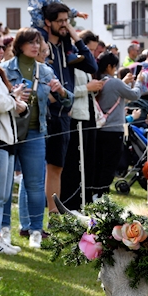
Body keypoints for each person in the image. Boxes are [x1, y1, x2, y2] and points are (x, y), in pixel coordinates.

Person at [2, 27, 71, 248]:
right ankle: (3, 230)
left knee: (34, 183)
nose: (35, 46)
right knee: (4, 185)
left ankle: (35, 230)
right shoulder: (4, 69)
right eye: (30, 42)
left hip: (36, 132)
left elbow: (69, 101)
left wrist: (60, 91)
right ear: (19, 45)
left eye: (38, 42)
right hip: (8, 132)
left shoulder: (46, 71)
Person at [42, 3, 96, 218]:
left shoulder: (68, 47)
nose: (65, 25)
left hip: (65, 113)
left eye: (67, 20)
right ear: (48, 22)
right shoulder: (41, 43)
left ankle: (55, 213)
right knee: (40, 169)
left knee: (58, 166)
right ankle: (36, 219)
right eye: (60, 21)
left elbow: (91, 66)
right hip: (46, 111)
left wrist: (75, 36)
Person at [0, 30, 26, 255]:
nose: (2, 51)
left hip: (9, 139)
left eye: (3, 47)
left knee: (4, 194)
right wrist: (13, 100)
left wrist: (15, 100)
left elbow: (12, 104)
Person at [59, 29, 101, 210]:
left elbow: (88, 88)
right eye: (89, 50)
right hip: (76, 116)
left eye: (94, 51)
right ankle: (72, 201)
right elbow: (66, 91)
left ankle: (86, 198)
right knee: (74, 162)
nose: (92, 54)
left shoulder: (87, 65)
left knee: (89, 160)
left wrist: (95, 87)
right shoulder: (71, 63)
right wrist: (87, 87)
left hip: (89, 114)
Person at [93, 51, 140, 199]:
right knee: (110, 164)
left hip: (98, 128)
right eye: (114, 66)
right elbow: (134, 95)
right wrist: (139, 82)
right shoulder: (115, 82)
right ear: (109, 66)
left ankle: (95, 191)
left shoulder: (98, 81)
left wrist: (123, 82)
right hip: (114, 129)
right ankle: (102, 193)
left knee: (98, 162)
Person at [27, 0, 88, 64]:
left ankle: (69, 54)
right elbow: (34, 13)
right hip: (39, 26)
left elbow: (63, 8)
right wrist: (43, 25)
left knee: (65, 34)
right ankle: (44, 56)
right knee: (42, 38)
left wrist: (77, 13)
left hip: (49, 24)